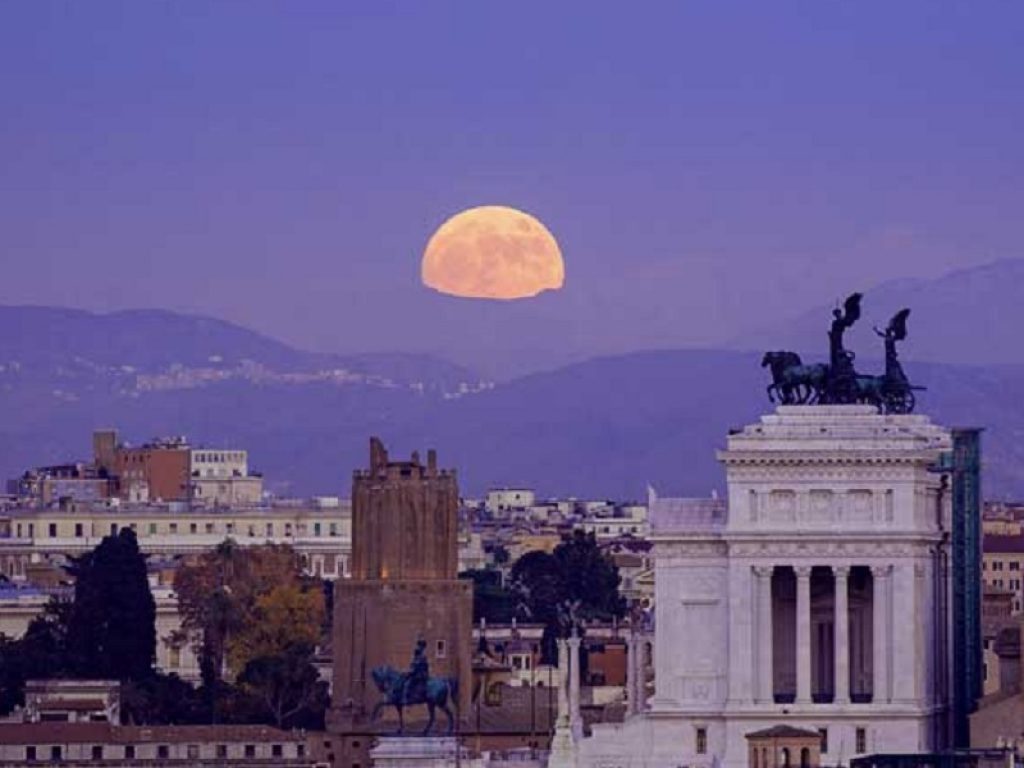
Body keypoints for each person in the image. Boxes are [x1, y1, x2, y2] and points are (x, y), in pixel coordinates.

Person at [402, 638, 429, 704]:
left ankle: (406, 699)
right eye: (418, 645)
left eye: (419, 645)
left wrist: (408, 673)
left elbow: (415, 668)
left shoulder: (421, 657)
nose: (418, 647)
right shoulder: (419, 656)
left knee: (407, 684)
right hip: (419, 674)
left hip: (419, 675)